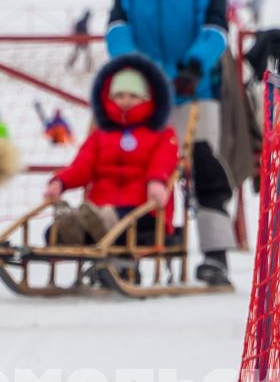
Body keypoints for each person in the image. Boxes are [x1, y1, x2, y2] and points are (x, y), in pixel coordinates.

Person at [104, 0, 237, 287]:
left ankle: (215, 255)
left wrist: (195, 65)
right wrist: (134, 67)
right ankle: (136, 247)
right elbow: (117, 27)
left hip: (196, 88)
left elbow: (216, 28)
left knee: (203, 166)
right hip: (143, 92)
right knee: (139, 167)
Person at [42, 54, 179, 258]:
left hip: (142, 207)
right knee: (73, 224)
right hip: (100, 204)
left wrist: (157, 182)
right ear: (109, 98)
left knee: (116, 220)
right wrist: (60, 182)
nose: (126, 101)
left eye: (133, 96)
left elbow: (164, 162)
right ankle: (73, 226)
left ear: (146, 98)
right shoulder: (100, 135)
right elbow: (82, 165)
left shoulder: (161, 133)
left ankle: (92, 224)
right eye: (120, 95)